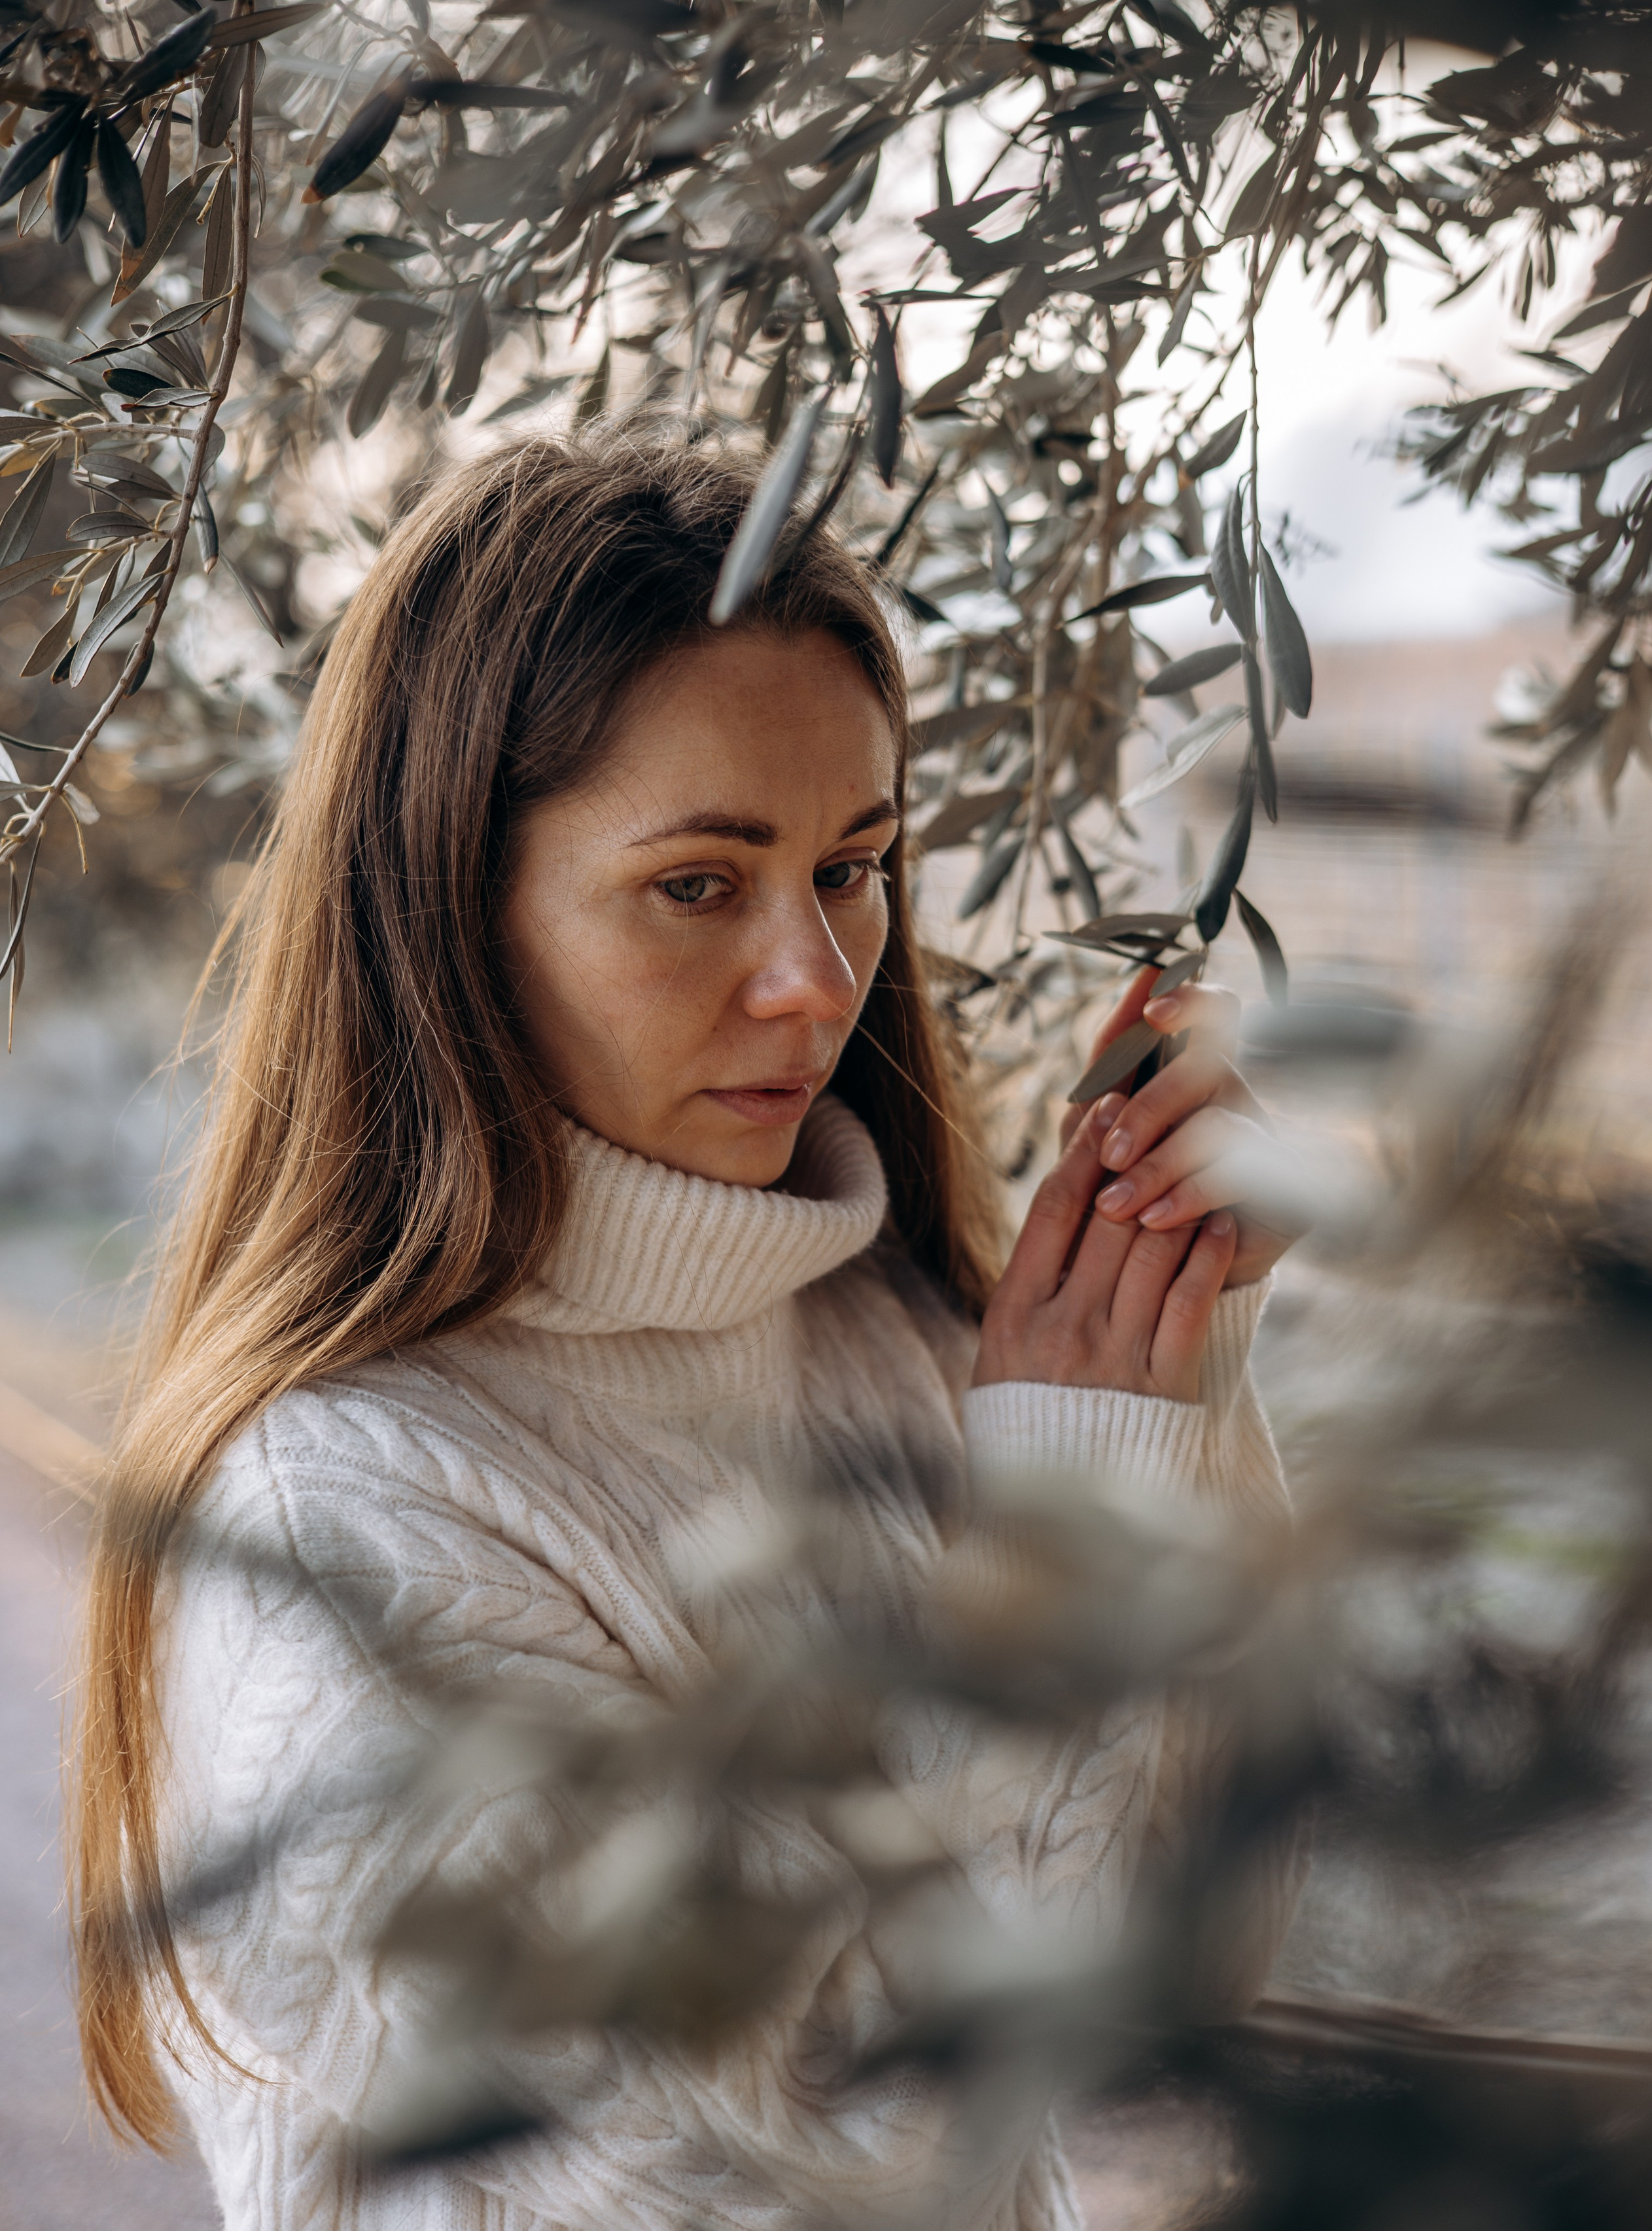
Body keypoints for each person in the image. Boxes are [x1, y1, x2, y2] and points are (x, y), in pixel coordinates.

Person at [72, 431, 1302, 2229]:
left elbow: (1182, 1956)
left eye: (856, 865)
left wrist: (1177, 1385)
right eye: (699, 884)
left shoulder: (901, 1332)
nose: (817, 973)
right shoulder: (329, 1517)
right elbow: (734, 2173)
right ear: (448, 909)